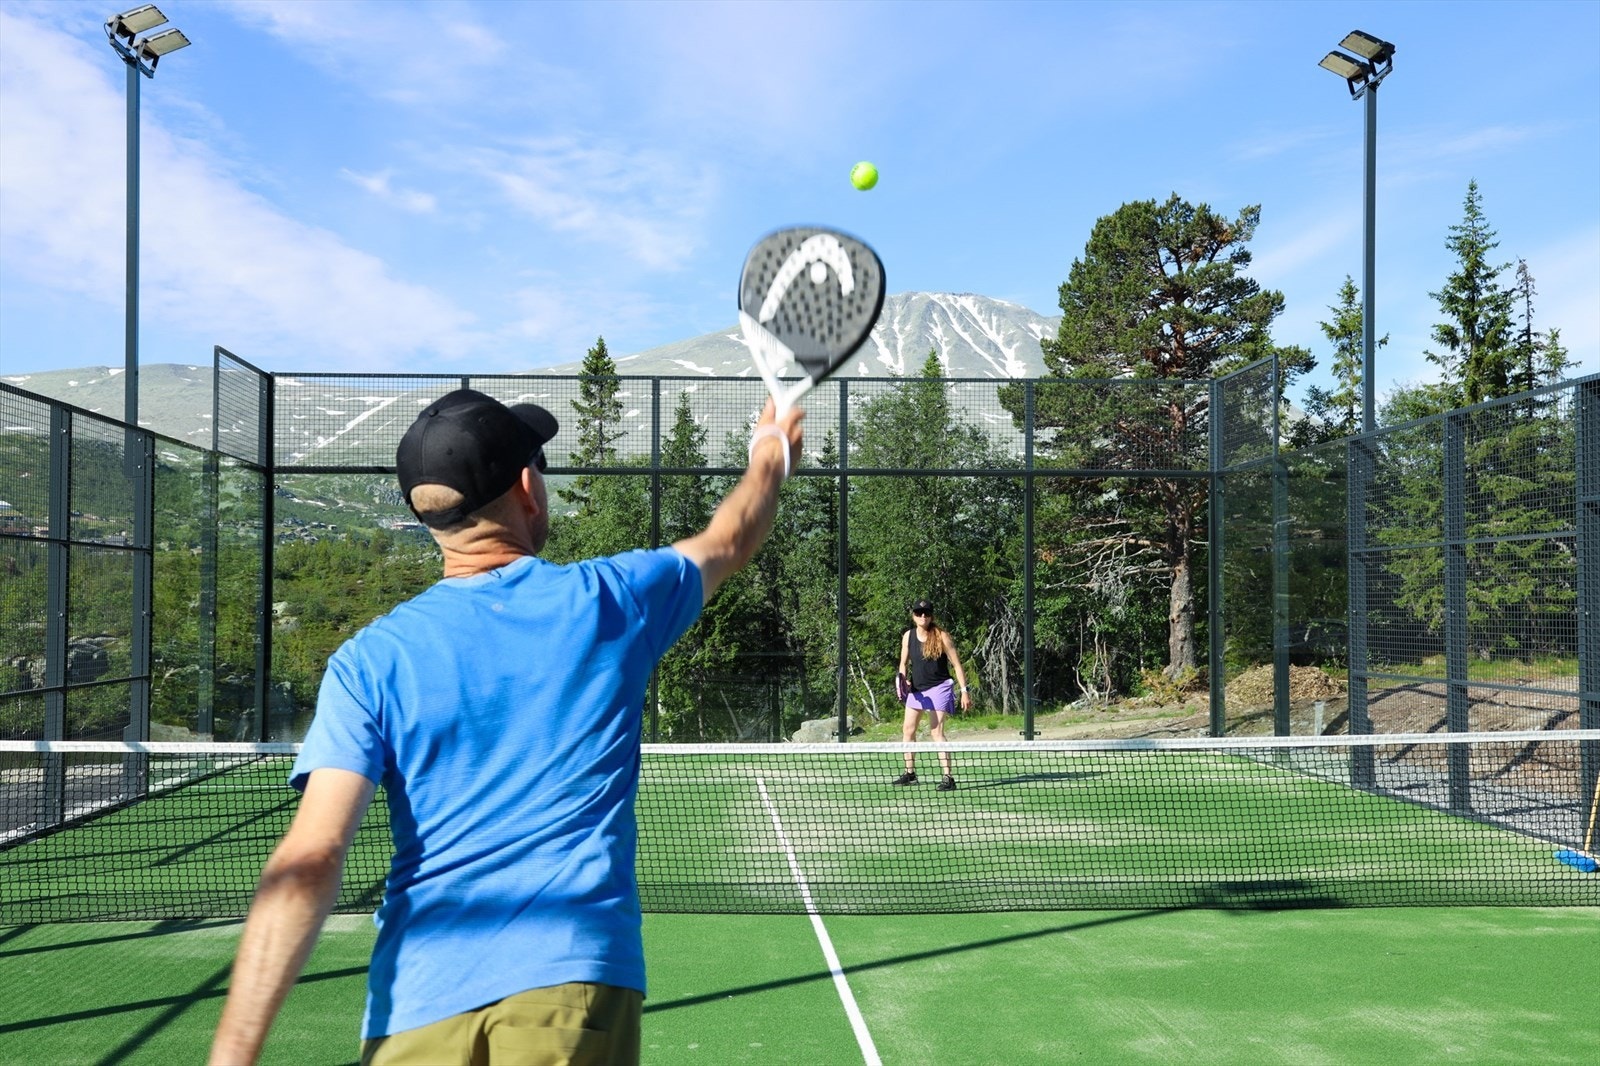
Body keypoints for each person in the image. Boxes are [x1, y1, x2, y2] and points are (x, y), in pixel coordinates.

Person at [209, 388, 803, 1066]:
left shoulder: (367, 661)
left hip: (412, 1006)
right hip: (572, 988)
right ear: (527, 486)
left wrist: (231, 1057)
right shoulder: (611, 603)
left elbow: (310, 859)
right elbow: (730, 537)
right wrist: (770, 454)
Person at [892, 598, 971, 792]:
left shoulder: (942, 636)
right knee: (908, 730)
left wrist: (964, 691)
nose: (923, 616)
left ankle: (948, 777)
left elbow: (957, 665)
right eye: (919, 613)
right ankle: (910, 774)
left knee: (936, 732)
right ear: (913, 616)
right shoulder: (907, 636)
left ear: (931, 616)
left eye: (926, 613)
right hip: (917, 690)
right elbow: (904, 663)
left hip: (940, 687)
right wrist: (902, 679)